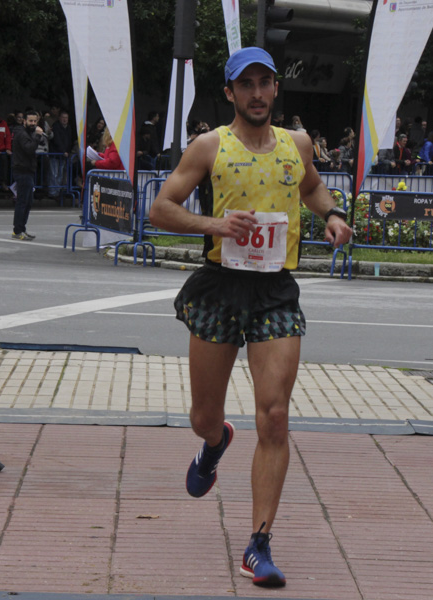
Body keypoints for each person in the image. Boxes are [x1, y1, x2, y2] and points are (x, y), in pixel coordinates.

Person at [147, 47, 352, 589]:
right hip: (219, 288)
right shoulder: (210, 145)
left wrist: (330, 213)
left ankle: (258, 544)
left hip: (275, 293)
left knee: (276, 415)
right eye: (247, 85)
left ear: (276, 90)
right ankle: (214, 444)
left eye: (266, 83)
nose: (257, 93)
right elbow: (161, 207)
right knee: (202, 415)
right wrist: (215, 225)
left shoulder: (297, 144)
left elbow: (308, 186)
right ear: (230, 93)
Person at [10, 110, 44, 240]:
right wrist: (37, 136)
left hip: (28, 170)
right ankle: (17, 230)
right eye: (30, 121)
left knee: (28, 201)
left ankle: (21, 228)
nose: (33, 123)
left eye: (35, 121)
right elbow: (29, 148)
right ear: (24, 121)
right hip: (22, 170)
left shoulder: (28, 132)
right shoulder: (21, 133)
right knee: (23, 201)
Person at [48, 110, 76, 199]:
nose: (64, 119)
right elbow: (57, 140)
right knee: (54, 173)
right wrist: (63, 151)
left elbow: (70, 140)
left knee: (60, 174)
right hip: (56, 154)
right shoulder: (56, 126)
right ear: (60, 118)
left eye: (66, 118)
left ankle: (58, 191)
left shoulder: (69, 128)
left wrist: (67, 151)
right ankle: (53, 192)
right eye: (63, 117)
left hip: (64, 154)